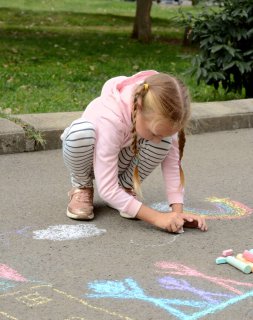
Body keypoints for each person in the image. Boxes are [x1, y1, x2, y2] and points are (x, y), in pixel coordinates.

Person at [61, 70, 207, 233]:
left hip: (120, 160)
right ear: (138, 106)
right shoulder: (110, 117)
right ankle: (82, 187)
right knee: (80, 132)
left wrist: (177, 214)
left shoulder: (163, 110)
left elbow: (172, 165)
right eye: (155, 133)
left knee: (164, 141)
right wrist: (158, 218)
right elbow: (107, 190)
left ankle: (124, 189)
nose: (157, 140)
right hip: (89, 161)